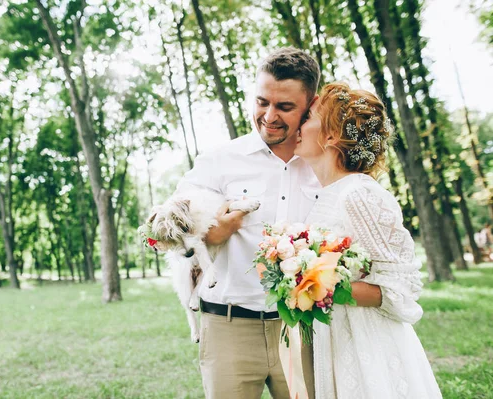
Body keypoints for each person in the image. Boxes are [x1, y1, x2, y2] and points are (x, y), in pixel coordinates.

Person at [176, 47, 321, 399]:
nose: (269, 116)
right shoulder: (218, 160)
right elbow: (171, 232)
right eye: (261, 102)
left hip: (303, 329)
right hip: (229, 328)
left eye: (284, 107)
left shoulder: (325, 165)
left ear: (310, 105)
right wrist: (209, 234)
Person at [292, 82, 442, 398]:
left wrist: (317, 285)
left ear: (330, 136)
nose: (298, 125)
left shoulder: (360, 194)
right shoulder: (327, 195)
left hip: (366, 345)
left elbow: (401, 288)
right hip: (332, 338)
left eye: (307, 117)